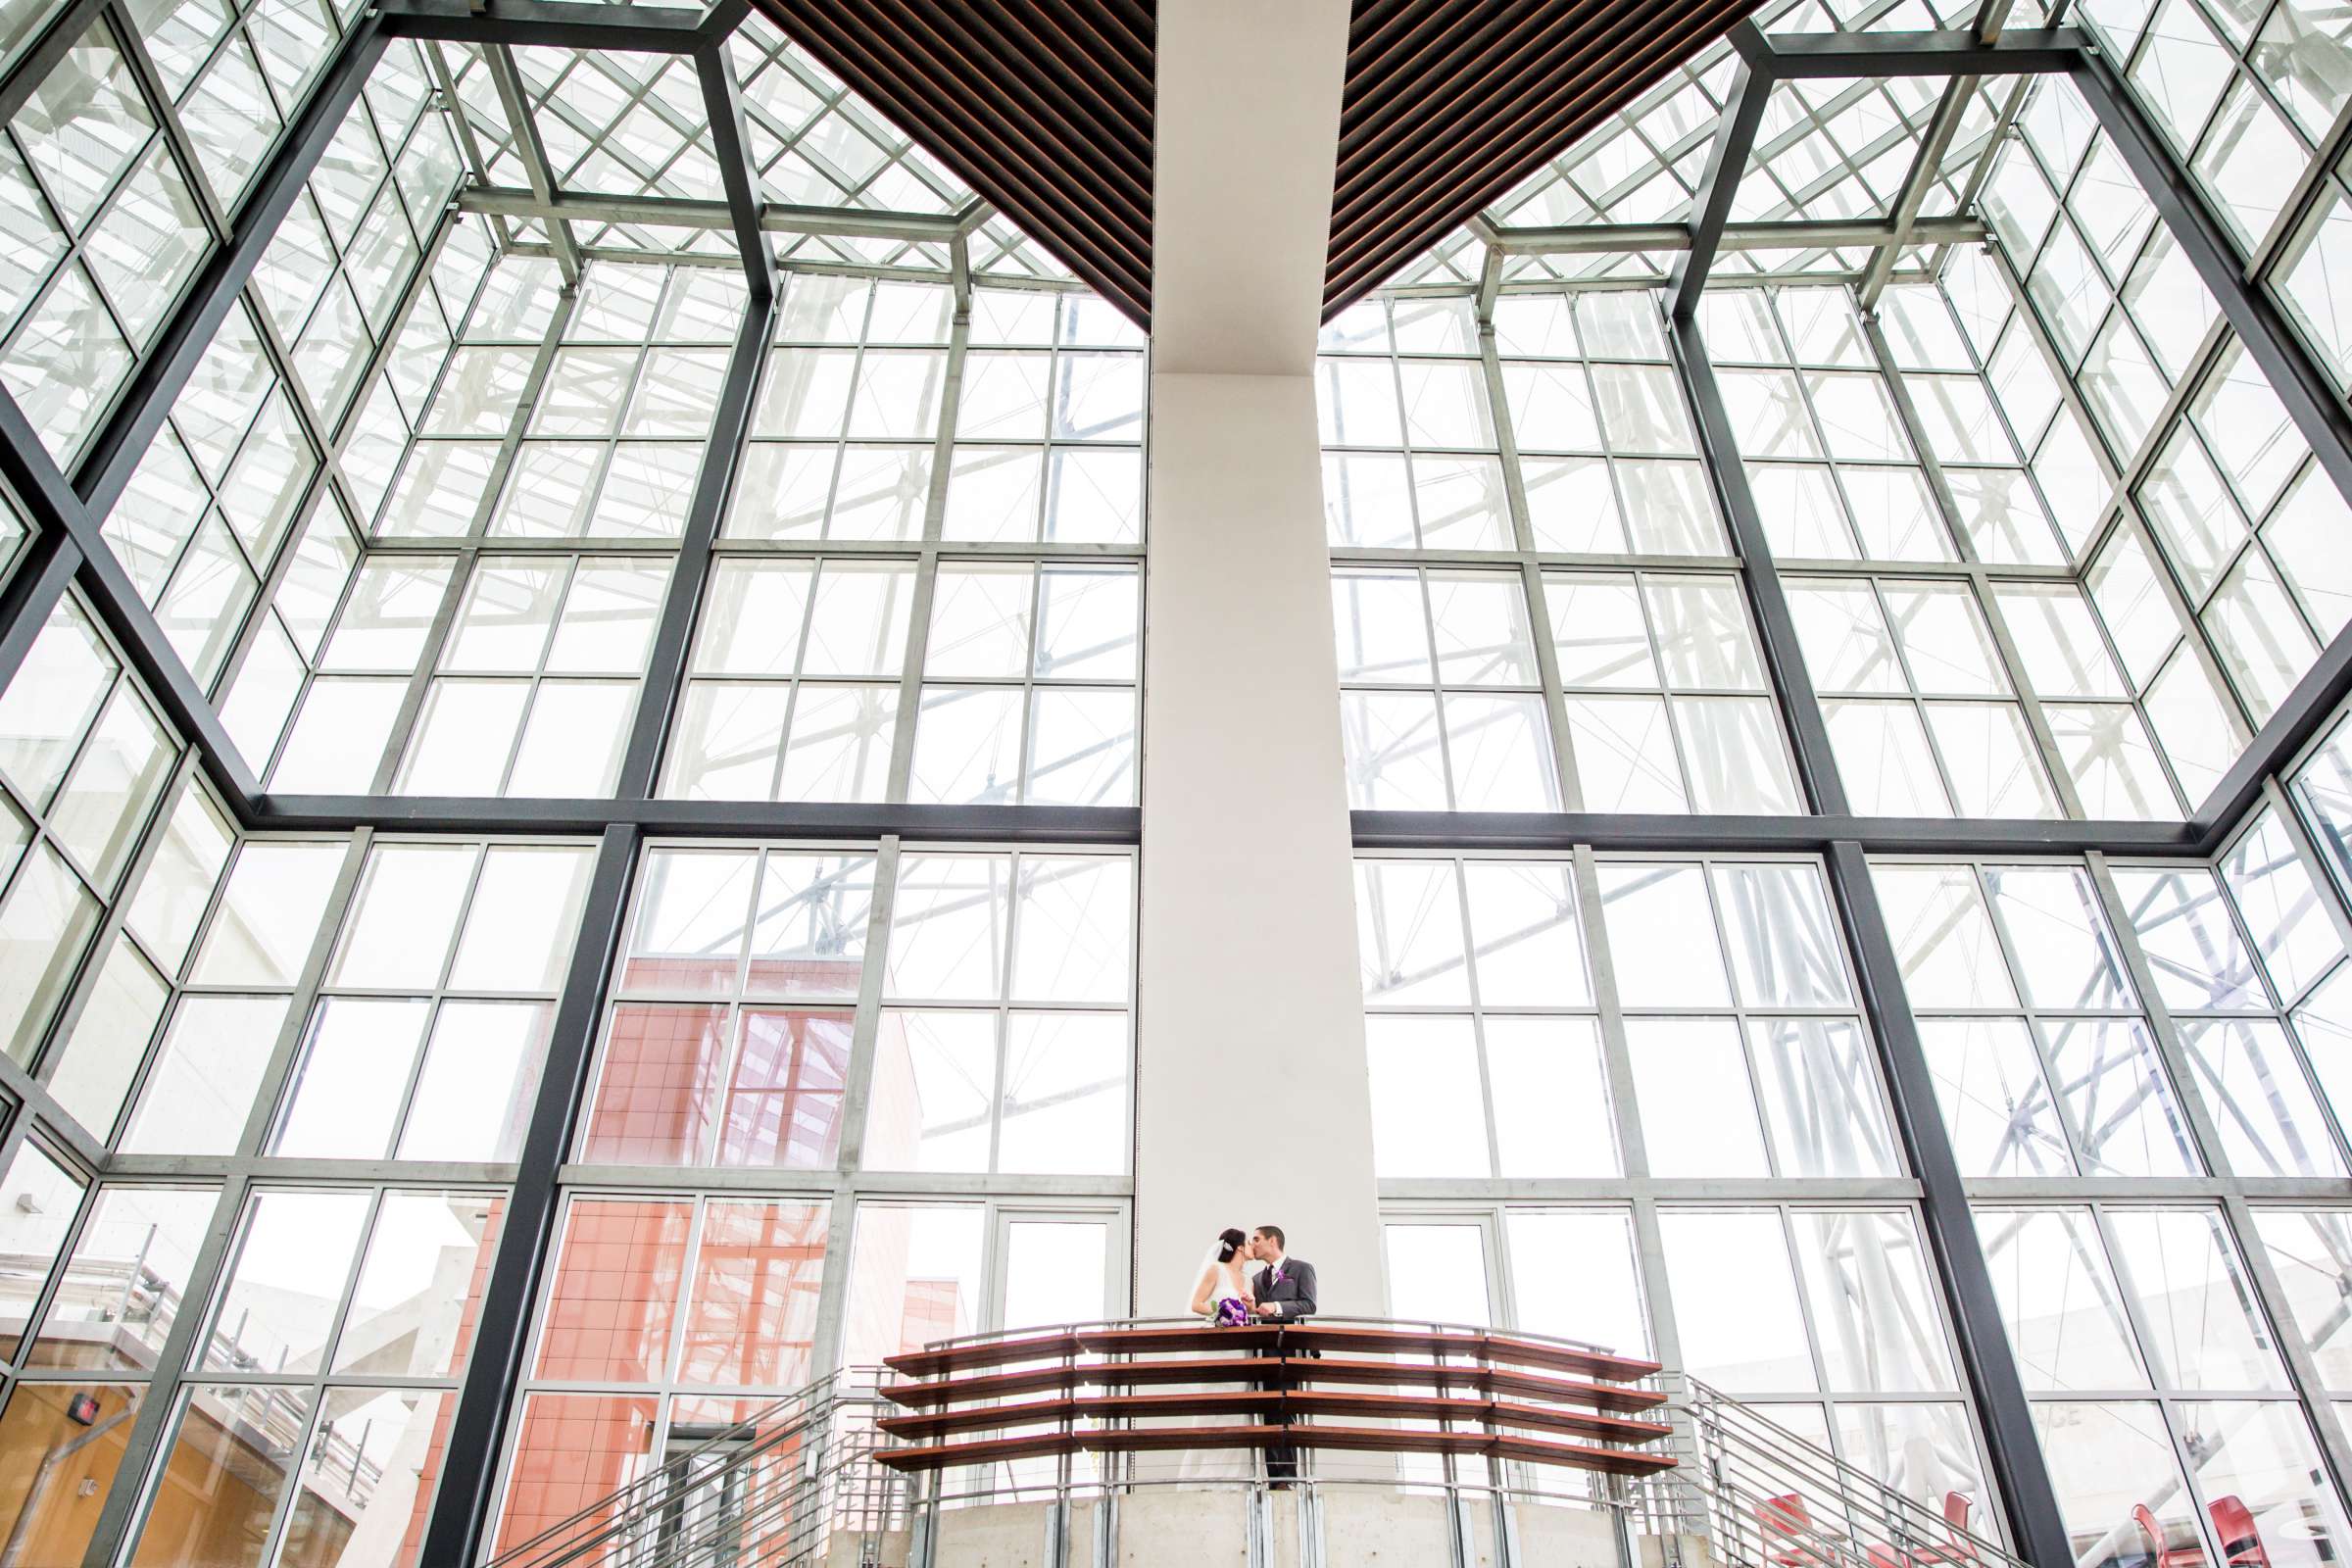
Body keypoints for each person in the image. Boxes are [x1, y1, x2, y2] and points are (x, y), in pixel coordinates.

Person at [1177, 1228, 1257, 1484]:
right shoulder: (1216, 1270)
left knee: (1238, 1407)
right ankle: (1204, 1474)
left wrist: (1249, 1304)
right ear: (1239, 1248)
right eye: (1247, 1241)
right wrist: (1220, 1310)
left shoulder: (1248, 1280)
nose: (1250, 1245)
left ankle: (1237, 1476)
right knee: (1215, 1404)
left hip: (1240, 1349)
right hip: (1218, 1345)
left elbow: (1251, 1311)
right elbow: (1196, 1303)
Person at [1248, 1225, 1317, 1486]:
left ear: (1272, 1240)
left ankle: (1287, 1478)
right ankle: (1273, 1477)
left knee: (1286, 1411)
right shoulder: (1255, 1279)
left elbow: (1309, 1304)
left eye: (1256, 1239)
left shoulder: (1301, 1269)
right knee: (1268, 1414)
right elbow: (1255, 1313)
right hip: (1263, 1353)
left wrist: (1276, 1307)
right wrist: (1250, 1306)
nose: (1252, 1244)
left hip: (1289, 1351)